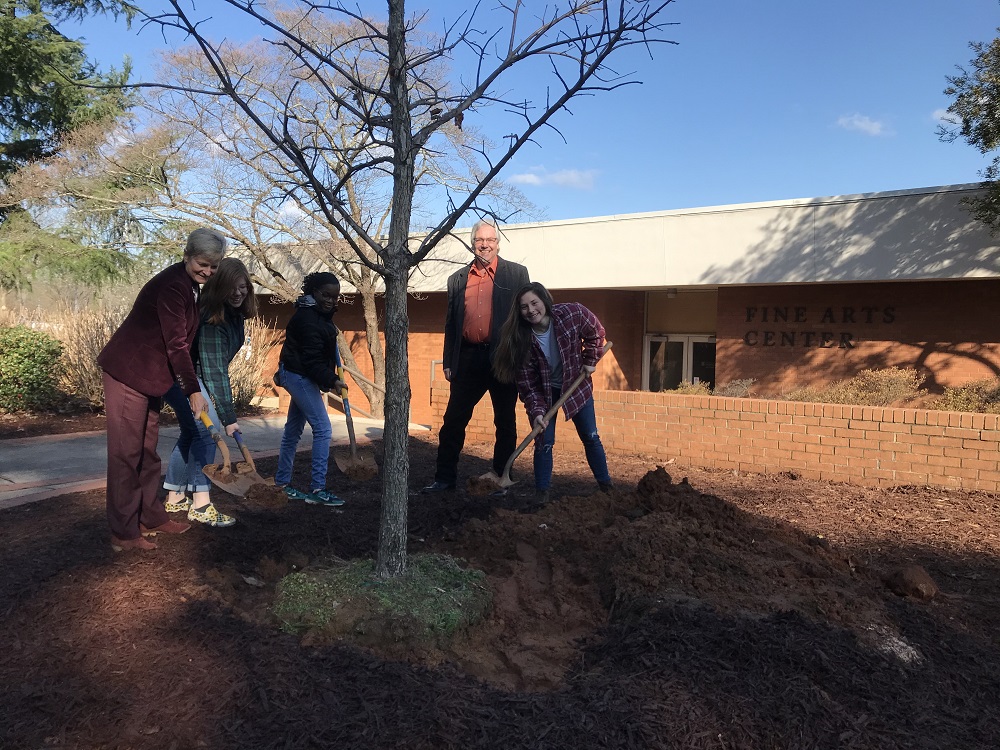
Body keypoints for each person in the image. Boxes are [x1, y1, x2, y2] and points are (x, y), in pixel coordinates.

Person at [98, 228, 227, 552]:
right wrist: (192, 390)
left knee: (147, 450)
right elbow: (176, 344)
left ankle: (151, 516)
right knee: (126, 454)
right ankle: (124, 533)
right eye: (203, 264)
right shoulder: (173, 287)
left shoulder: (190, 286)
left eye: (214, 266)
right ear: (187, 255)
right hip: (129, 372)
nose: (208, 272)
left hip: (148, 378)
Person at [423, 218, 530, 492]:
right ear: (473, 244)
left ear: (497, 243)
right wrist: (449, 361)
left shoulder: (517, 274)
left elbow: (525, 320)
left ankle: (502, 475)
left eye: (490, 240)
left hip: (503, 358)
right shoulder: (457, 279)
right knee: (453, 422)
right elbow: (451, 323)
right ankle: (444, 479)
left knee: (505, 421)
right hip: (468, 358)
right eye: (480, 241)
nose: (485, 245)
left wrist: (522, 359)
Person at [493, 282, 613, 506]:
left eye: (534, 303)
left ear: (544, 301)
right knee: (543, 441)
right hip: (546, 393)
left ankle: (607, 487)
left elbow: (596, 332)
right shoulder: (522, 342)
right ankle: (542, 495)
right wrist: (538, 412)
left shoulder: (571, 313)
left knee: (590, 436)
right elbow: (529, 385)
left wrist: (589, 360)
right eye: (524, 307)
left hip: (576, 386)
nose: (531, 310)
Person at [161, 258, 258, 528]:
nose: (238, 293)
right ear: (218, 288)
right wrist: (228, 417)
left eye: (243, 287)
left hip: (187, 375)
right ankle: (201, 504)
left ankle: (175, 496)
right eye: (231, 288)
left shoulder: (233, 314)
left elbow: (213, 370)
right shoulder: (214, 319)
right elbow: (214, 372)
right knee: (208, 429)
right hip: (180, 377)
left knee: (192, 432)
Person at [274, 271, 346, 506]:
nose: (331, 301)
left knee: (293, 431)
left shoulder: (319, 315)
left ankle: (282, 483)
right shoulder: (308, 319)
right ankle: (318, 489)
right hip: (298, 375)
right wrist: (332, 380)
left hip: (299, 373)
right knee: (323, 428)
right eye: (326, 295)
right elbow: (312, 360)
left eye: (335, 297)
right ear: (313, 292)